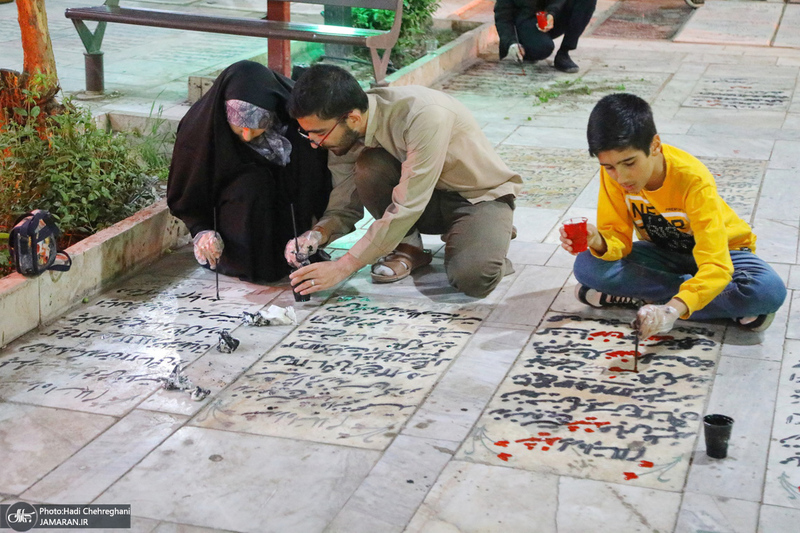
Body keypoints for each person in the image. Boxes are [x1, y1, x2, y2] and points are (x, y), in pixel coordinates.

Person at [283, 64, 522, 299]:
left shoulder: (423, 115)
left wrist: (344, 266)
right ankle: (410, 248)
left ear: (353, 118)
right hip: (424, 199)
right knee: (369, 166)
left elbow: (408, 205)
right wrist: (317, 235)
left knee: (473, 278)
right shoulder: (344, 131)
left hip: (476, 198)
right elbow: (345, 201)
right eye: (308, 134)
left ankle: (489, 233)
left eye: (319, 133)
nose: (314, 142)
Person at [561, 93, 786, 339]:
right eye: (610, 167)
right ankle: (710, 302)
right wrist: (597, 241)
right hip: (664, 253)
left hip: (727, 253)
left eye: (630, 163)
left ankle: (650, 299)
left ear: (655, 145)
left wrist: (672, 310)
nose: (621, 177)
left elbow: (716, 265)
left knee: (767, 291)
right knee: (587, 265)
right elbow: (617, 238)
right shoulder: (613, 174)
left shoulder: (693, 179)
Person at [167, 61, 331, 282]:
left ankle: (295, 250)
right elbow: (188, 191)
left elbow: (317, 181)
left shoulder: (297, 123)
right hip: (238, 224)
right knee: (253, 184)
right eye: (238, 126)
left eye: (256, 125)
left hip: (288, 221)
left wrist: (315, 231)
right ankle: (243, 261)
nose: (246, 136)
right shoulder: (201, 130)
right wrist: (202, 231)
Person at [494, 0, 597, 73]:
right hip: (526, 22)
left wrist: (551, 13)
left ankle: (564, 53)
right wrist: (511, 42)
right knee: (543, 48)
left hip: (550, 17)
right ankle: (525, 48)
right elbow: (502, 17)